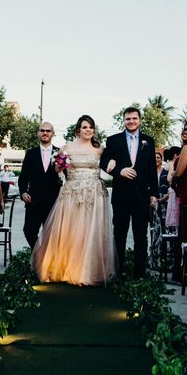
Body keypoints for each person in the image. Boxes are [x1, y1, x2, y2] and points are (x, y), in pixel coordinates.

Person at [33, 115, 115, 285]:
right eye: (85, 127)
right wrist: (59, 166)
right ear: (78, 129)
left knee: (90, 231)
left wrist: (113, 161)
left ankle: (88, 272)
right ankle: (66, 269)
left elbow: (110, 161)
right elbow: (56, 169)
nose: (88, 130)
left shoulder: (100, 148)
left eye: (91, 127)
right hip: (72, 193)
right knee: (71, 230)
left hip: (94, 194)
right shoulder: (67, 147)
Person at [101, 107, 158, 278]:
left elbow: (151, 169)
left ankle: (139, 274)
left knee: (141, 235)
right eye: (128, 119)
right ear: (123, 121)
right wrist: (119, 171)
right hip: (121, 195)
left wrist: (153, 193)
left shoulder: (148, 140)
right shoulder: (113, 140)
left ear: (140, 120)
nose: (131, 121)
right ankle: (118, 272)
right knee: (119, 233)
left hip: (141, 196)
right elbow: (104, 162)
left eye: (134, 118)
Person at [18, 122, 61, 249]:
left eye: (48, 131)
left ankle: (48, 262)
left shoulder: (60, 153)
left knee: (52, 235)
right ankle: (38, 254)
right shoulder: (31, 153)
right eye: (42, 130)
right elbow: (23, 178)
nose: (45, 133)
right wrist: (23, 192)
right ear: (38, 133)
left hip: (53, 202)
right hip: (33, 201)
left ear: (53, 134)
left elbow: (66, 176)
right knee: (29, 231)